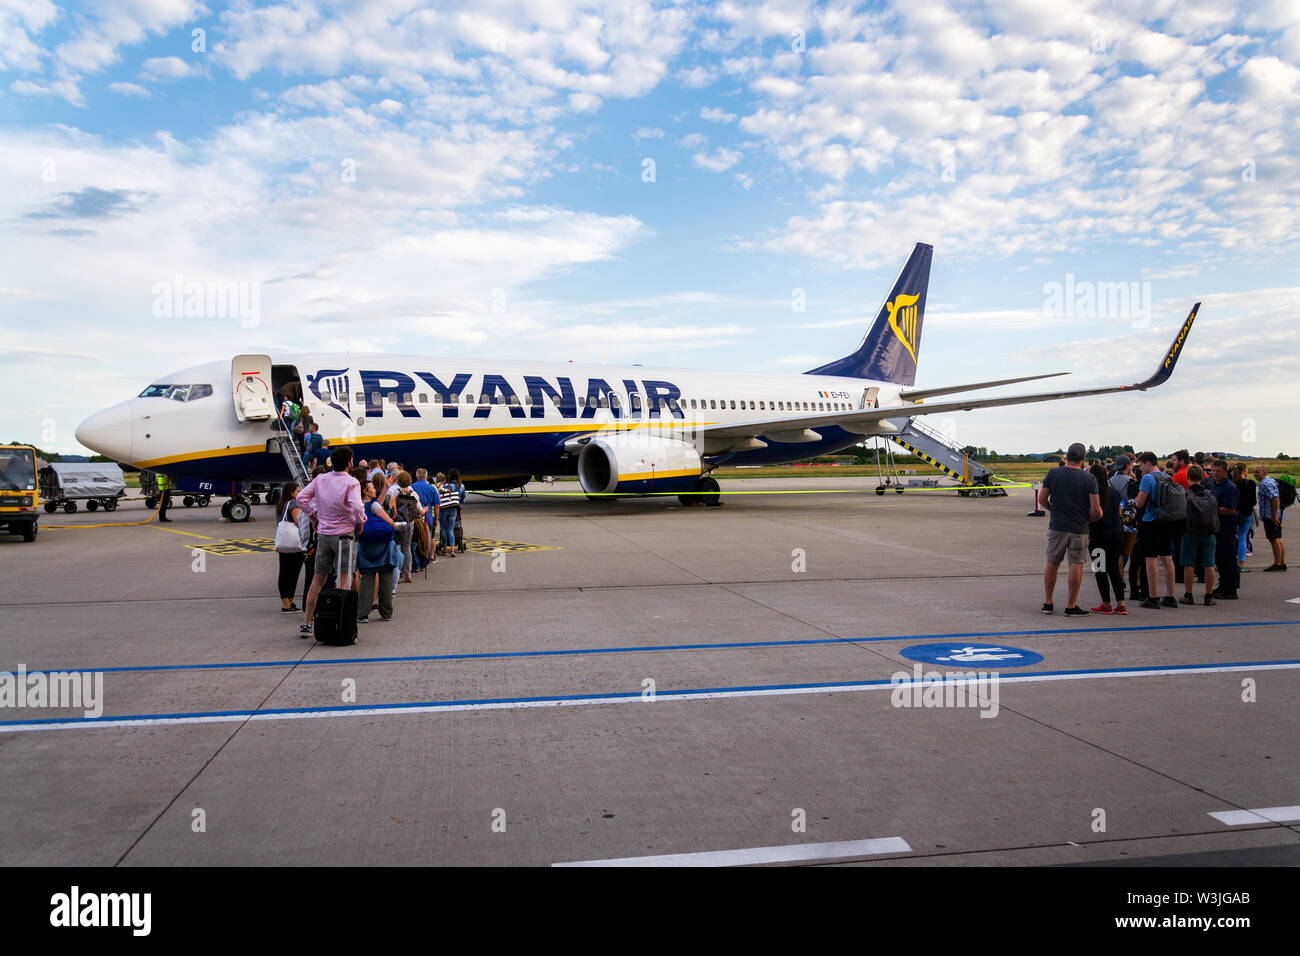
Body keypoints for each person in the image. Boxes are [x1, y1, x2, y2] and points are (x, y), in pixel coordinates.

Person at [297, 446, 365, 638]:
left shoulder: (320, 479)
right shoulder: (352, 482)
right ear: (350, 462)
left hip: (323, 534)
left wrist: (313, 516)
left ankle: (306, 622)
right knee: (344, 578)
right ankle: (340, 621)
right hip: (344, 535)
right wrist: (360, 523)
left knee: (318, 578)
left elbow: (301, 498)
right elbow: (357, 507)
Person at [1039, 442, 1102, 616]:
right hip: (1079, 528)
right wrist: (1088, 519)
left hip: (1057, 526)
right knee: (1076, 564)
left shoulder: (1054, 473)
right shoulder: (1089, 479)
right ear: (1083, 459)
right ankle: (1070, 605)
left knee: (1052, 562)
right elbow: (1096, 509)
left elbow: (1043, 499)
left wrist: (1054, 510)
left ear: (1067, 457)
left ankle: (1048, 602)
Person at [1132, 451, 1178, 609]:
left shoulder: (1147, 478)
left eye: (1141, 465)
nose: (1140, 469)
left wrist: (1132, 501)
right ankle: (1170, 596)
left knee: (1150, 558)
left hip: (1150, 521)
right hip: (1165, 520)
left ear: (1148, 463)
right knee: (1167, 557)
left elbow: (1140, 502)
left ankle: (1153, 596)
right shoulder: (1166, 476)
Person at [357, 474, 400, 623]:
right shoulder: (374, 506)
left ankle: (363, 613)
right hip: (383, 547)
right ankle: (386, 612)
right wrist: (395, 525)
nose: (374, 490)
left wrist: (386, 488)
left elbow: (377, 504)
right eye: (372, 488)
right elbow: (386, 518)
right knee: (386, 579)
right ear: (365, 491)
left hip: (366, 547)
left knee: (367, 580)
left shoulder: (359, 506)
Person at [1088, 463, 1126, 614]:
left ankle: (1106, 603)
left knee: (1100, 570)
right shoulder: (1114, 492)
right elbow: (1120, 512)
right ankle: (1121, 604)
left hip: (1099, 535)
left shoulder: (1092, 493)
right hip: (1116, 534)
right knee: (1114, 569)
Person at [1179, 464, 1218, 605]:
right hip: (1208, 531)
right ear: (1202, 477)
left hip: (1190, 531)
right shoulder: (1210, 494)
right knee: (1209, 564)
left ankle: (1188, 594)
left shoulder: (1185, 494)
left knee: (1189, 564)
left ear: (1188, 477)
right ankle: (1209, 595)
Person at [275, 481, 306, 613]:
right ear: (291, 493)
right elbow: (299, 522)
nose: (299, 494)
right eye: (297, 491)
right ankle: (288, 603)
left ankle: (286, 602)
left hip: (284, 544)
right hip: (294, 545)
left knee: (284, 572)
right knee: (293, 573)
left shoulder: (281, 505)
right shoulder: (293, 504)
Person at [1210, 460, 1239, 600]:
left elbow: (1230, 509)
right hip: (1217, 526)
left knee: (1228, 556)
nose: (1215, 473)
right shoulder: (1215, 485)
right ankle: (1223, 584)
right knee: (1220, 557)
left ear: (1225, 471)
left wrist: (1211, 510)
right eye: (1213, 470)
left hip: (1226, 526)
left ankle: (1230, 588)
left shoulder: (1229, 488)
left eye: (1218, 471)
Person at [391, 471, 425, 584]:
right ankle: (407, 574)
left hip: (397, 523)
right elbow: (420, 511)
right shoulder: (414, 494)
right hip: (409, 523)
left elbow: (391, 507)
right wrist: (425, 510)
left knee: (396, 547)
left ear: (398, 481)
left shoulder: (395, 493)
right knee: (407, 547)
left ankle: (397, 572)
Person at [1255, 464, 1287, 571]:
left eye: (1258, 472)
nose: (1255, 474)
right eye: (1254, 472)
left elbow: (1275, 498)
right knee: (1278, 537)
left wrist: (1274, 515)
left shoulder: (1265, 484)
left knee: (1274, 539)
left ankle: (1277, 564)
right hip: (1274, 514)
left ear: (1265, 473)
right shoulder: (1271, 481)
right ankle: (1282, 562)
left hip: (1270, 515)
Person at [411, 468, 439, 568]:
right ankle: (424, 564)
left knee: (415, 542)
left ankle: (416, 564)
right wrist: (437, 519)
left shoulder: (411, 487)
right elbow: (436, 506)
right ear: (426, 477)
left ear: (416, 476)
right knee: (426, 542)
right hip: (428, 518)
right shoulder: (432, 489)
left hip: (415, 518)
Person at [1231, 462, 1256, 568]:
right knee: (1242, 537)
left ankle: (1231, 560)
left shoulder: (1231, 483)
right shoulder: (1250, 483)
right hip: (1246, 513)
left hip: (1233, 513)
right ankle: (1241, 562)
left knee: (1232, 537)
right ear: (1244, 471)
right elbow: (1253, 501)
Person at [437, 470, 462, 556]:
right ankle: (452, 550)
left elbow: (438, 497)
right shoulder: (460, 486)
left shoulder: (444, 486)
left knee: (443, 529)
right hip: (453, 508)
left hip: (443, 508)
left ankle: (444, 550)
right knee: (450, 529)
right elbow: (461, 498)